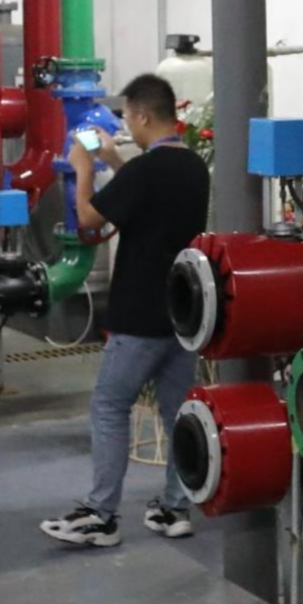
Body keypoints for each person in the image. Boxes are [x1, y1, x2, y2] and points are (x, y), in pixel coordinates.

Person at [40, 74, 211, 548]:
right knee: (177, 412)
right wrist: (114, 160)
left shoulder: (144, 172)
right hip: (185, 313)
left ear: (142, 115)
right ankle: (175, 508)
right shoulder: (193, 167)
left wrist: (83, 169)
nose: (127, 126)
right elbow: (148, 198)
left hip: (139, 314)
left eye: (129, 118)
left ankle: (101, 514)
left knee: (110, 406)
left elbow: (89, 218)